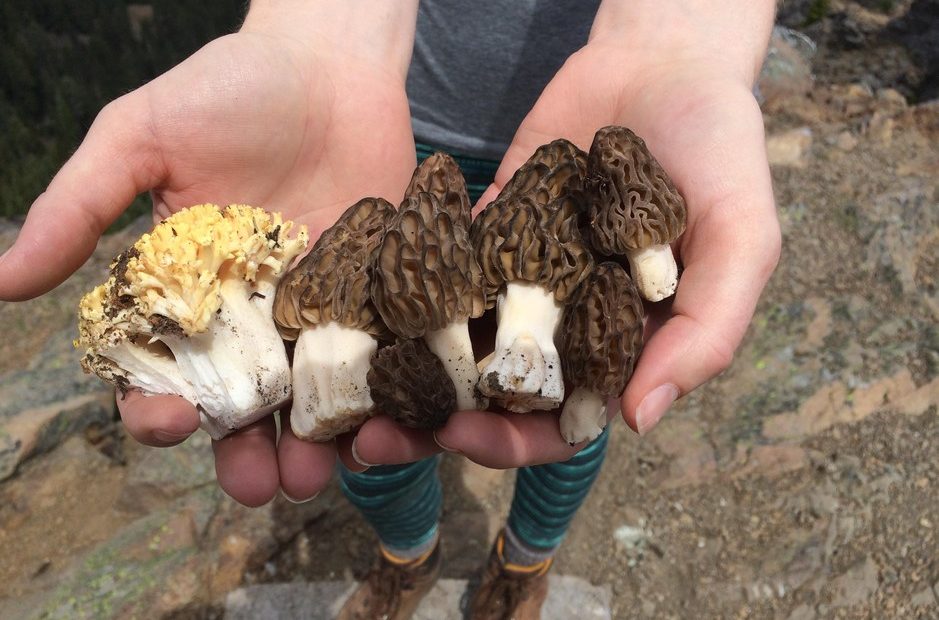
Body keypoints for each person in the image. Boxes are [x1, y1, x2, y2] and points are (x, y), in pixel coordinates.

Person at [0, 1, 781, 617]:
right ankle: (410, 555)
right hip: (381, 122)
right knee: (379, 427)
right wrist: (314, 40)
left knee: (586, 390)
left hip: (587, 151)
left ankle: (526, 557)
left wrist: (681, 51)